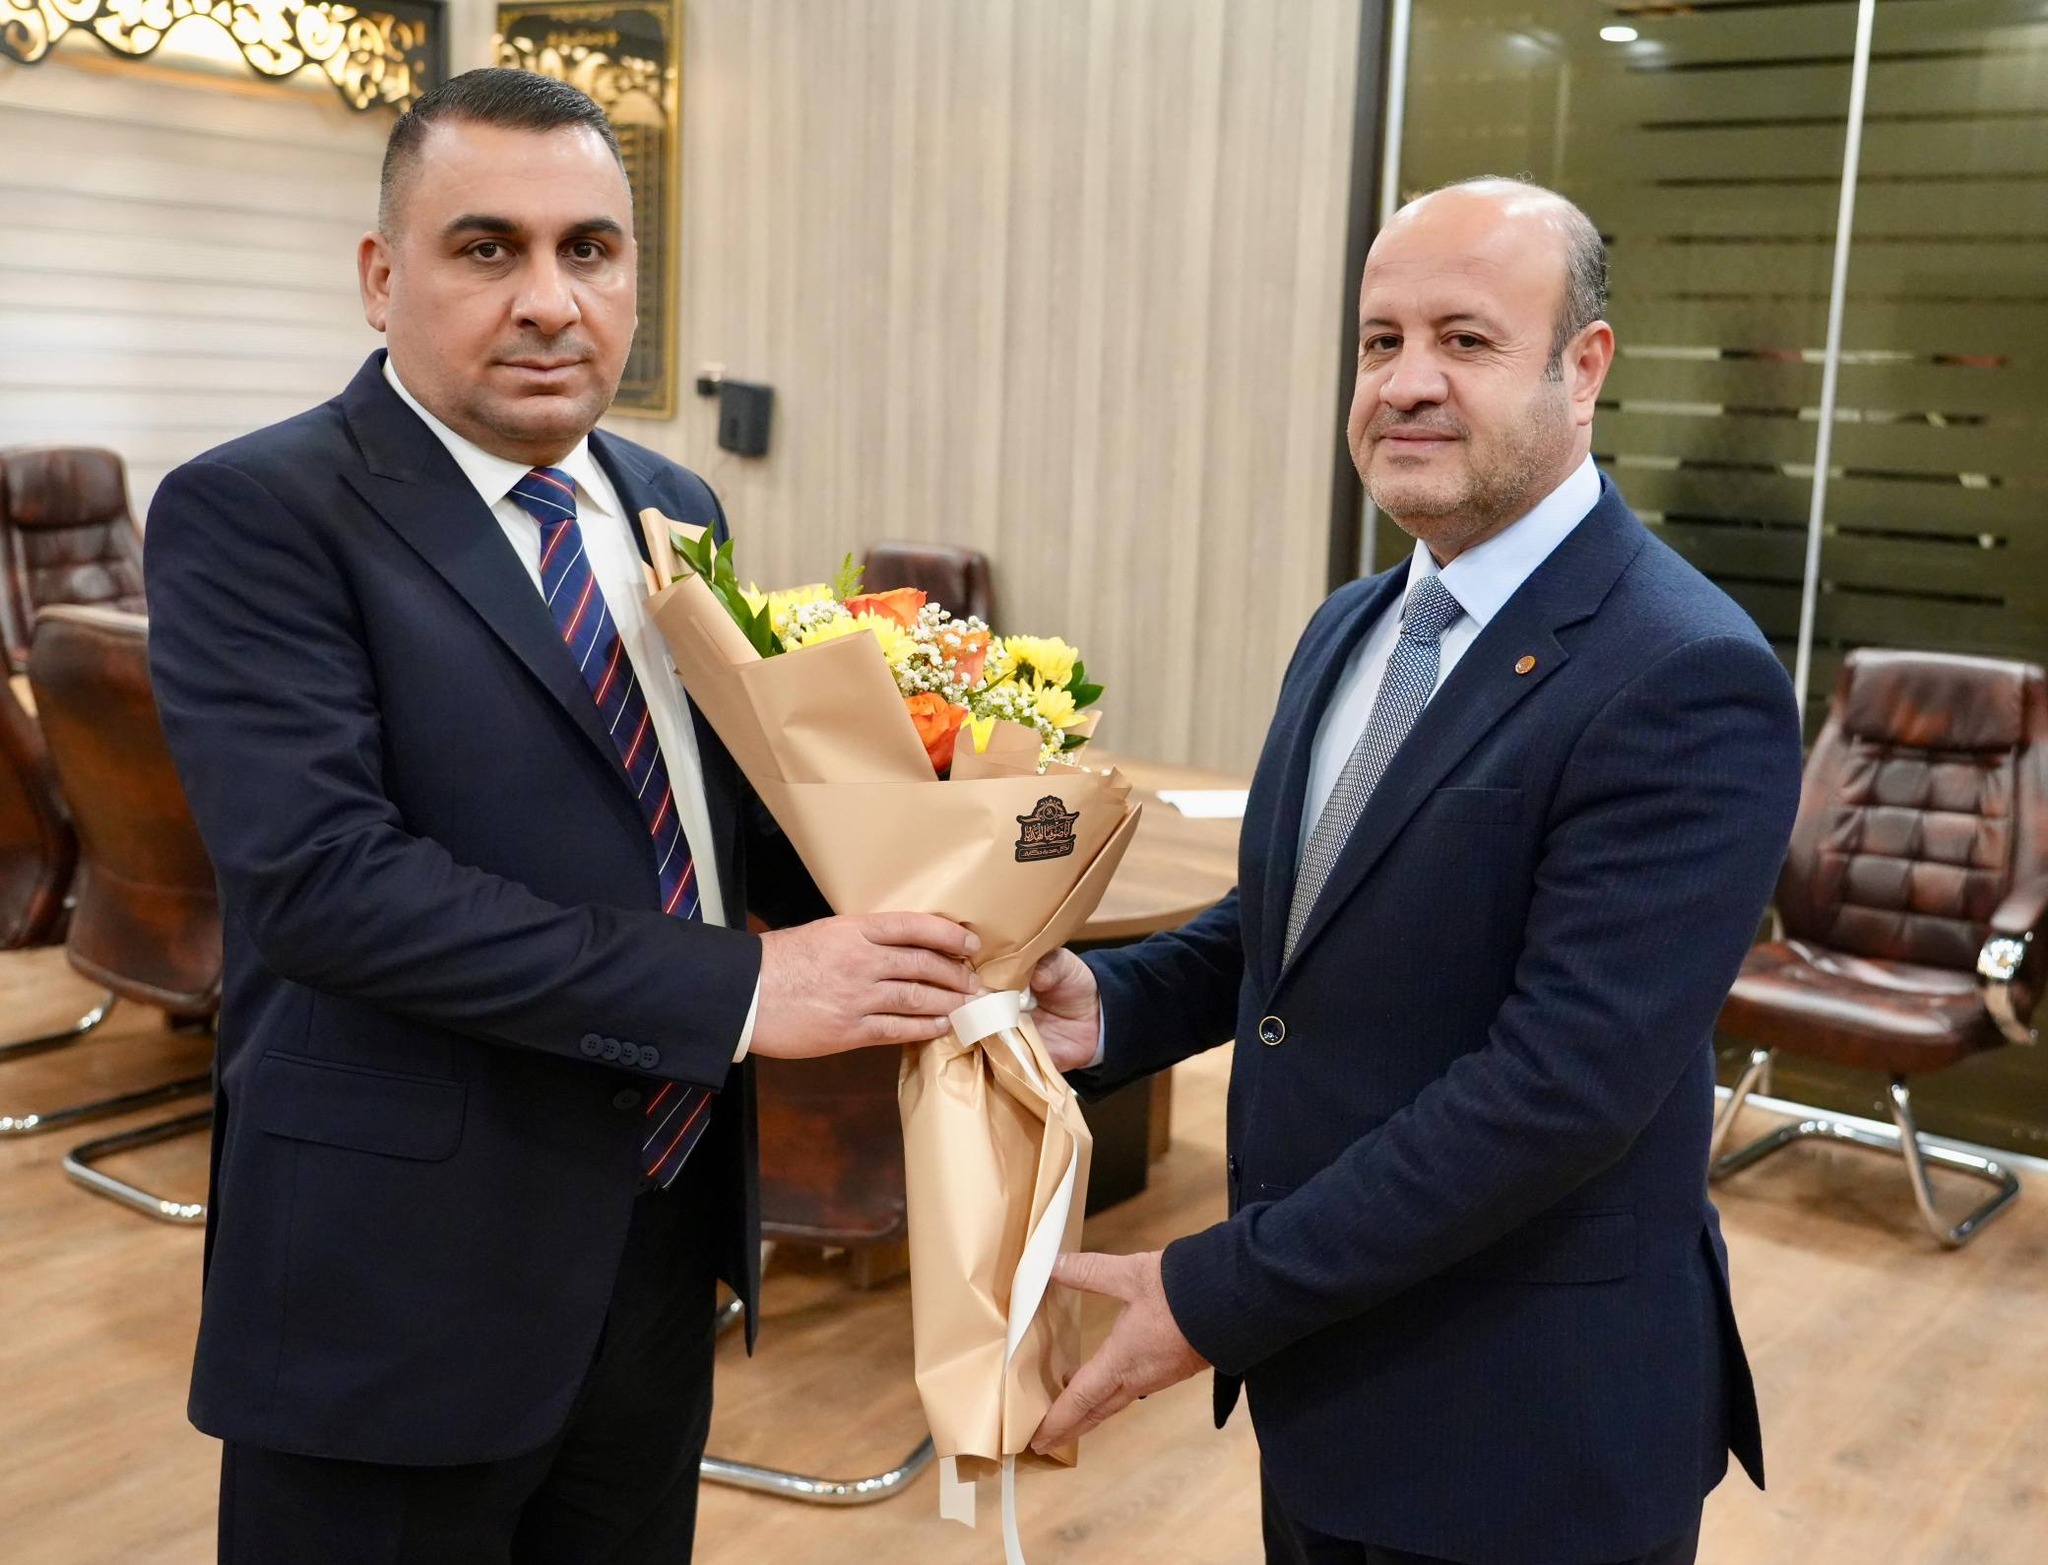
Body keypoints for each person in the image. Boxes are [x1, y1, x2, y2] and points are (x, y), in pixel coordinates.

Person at [146, 70, 980, 1564]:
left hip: (657, 1238)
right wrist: (746, 988)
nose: (549, 299)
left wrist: (955, 875)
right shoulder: (257, 511)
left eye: (589, 249)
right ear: (380, 277)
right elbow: (328, 887)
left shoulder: (674, 505)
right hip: (399, 1278)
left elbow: (715, 819)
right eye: (488, 249)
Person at [1025, 177, 1803, 1565]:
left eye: (1466, 339)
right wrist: (1115, 1005)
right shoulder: (1357, 621)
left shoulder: (1686, 674)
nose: (1407, 382)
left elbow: (1559, 1089)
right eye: (1380, 340)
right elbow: (1302, 916)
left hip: (1527, 1437)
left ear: (1584, 367)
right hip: (1331, 1394)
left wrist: (1214, 1292)